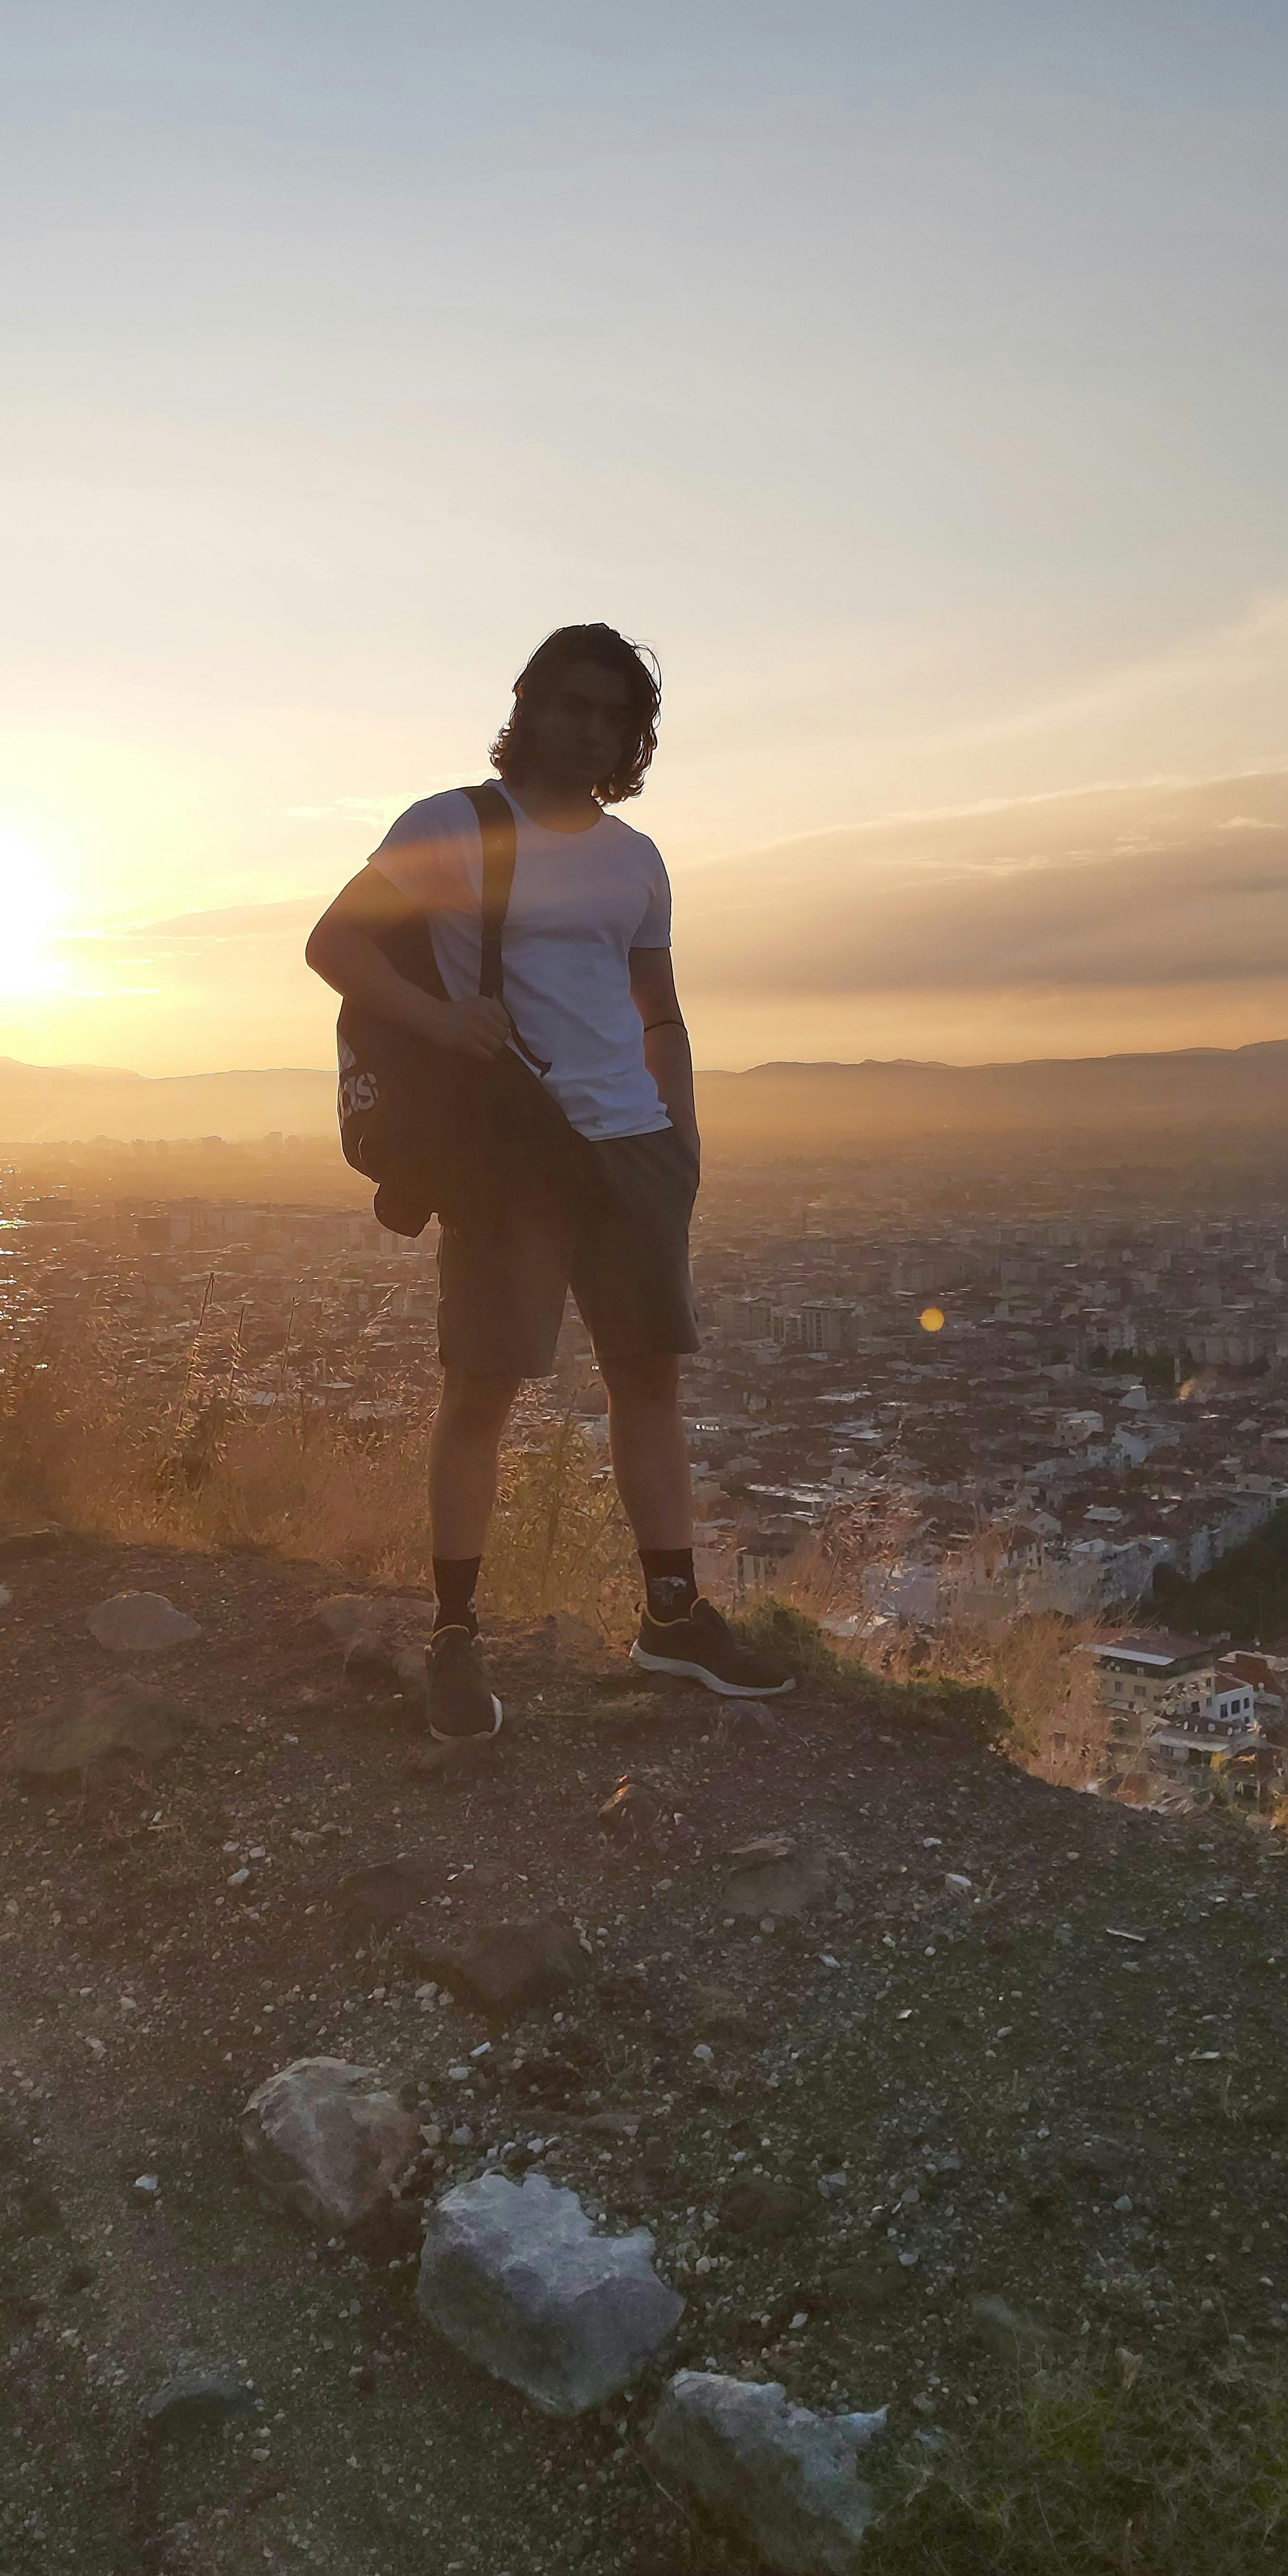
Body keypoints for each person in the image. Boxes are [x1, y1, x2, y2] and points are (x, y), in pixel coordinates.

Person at [304, 623, 795, 1741]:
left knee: (649, 1381)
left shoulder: (637, 860)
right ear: (527, 707)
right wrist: (441, 1019)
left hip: (635, 1142)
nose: (587, 726)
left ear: (633, 735)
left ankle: (671, 1616)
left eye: (611, 713)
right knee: (481, 1390)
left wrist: (683, 1130)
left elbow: (656, 1006)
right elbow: (337, 944)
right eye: (569, 703)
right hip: (512, 1145)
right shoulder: (454, 824)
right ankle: (455, 1633)